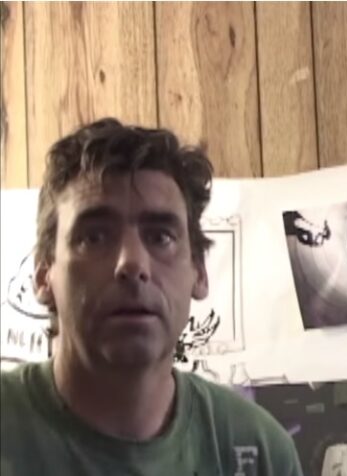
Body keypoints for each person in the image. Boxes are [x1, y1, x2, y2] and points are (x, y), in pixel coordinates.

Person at [0, 118, 303, 476]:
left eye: (161, 237)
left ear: (199, 272)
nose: (132, 264)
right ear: (43, 274)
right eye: (94, 237)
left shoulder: (259, 451)